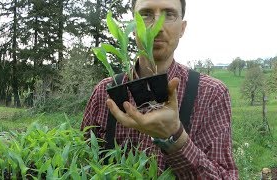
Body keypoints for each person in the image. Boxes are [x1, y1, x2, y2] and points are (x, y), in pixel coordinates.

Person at [81, 0, 239, 179]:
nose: (156, 26)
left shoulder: (211, 94)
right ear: (133, 27)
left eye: (169, 15)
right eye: (146, 15)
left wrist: (177, 138)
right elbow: (81, 163)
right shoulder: (105, 92)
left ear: (182, 28)